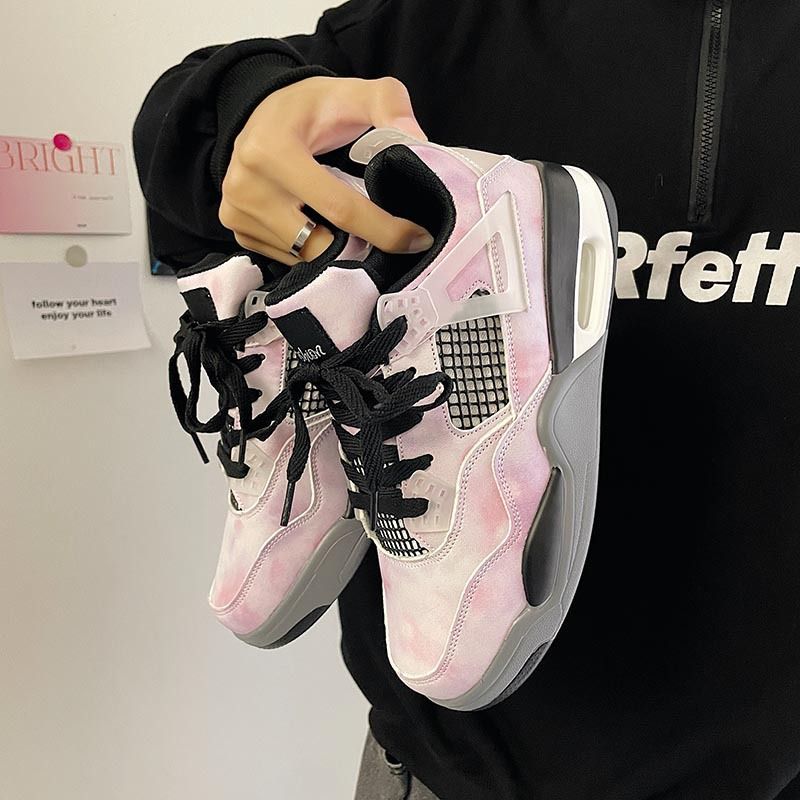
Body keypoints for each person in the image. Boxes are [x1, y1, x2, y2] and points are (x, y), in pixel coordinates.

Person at [132, 2, 800, 797]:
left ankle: (477, 289)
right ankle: (338, 354)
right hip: (437, 774)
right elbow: (173, 128)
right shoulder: (426, 27)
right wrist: (247, 112)